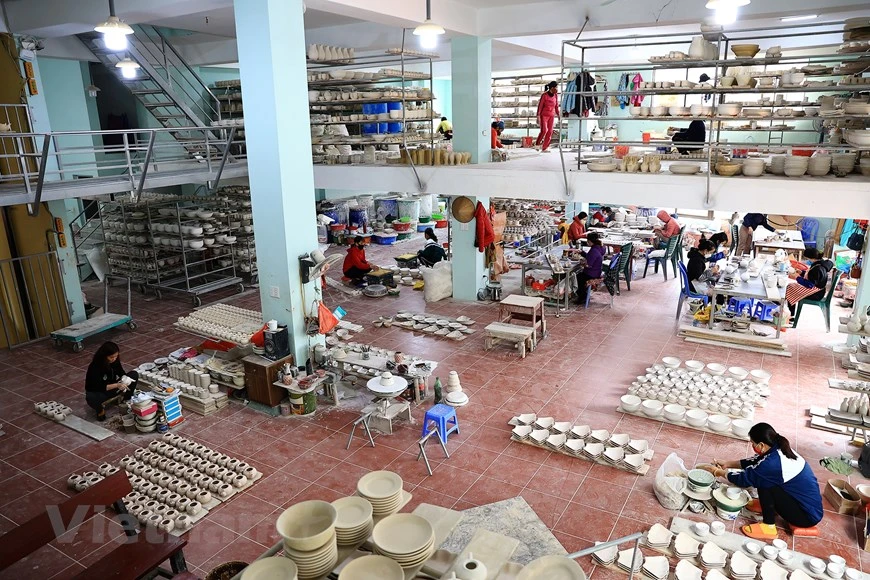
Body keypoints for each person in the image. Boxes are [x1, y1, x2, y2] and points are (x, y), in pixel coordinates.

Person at [701, 422, 823, 539]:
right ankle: (767, 504)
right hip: (803, 505)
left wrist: (719, 472)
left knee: (763, 482)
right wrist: (728, 464)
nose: (752, 446)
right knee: (764, 479)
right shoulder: (777, 447)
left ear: (761, 445)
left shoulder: (772, 464)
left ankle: (768, 527)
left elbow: (744, 479)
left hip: (806, 516)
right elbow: (755, 461)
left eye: (753, 444)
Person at [85, 341, 137, 421]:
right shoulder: (95, 367)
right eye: (111, 357)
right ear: (104, 356)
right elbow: (97, 387)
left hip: (114, 387)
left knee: (134, 374)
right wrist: (117, 385)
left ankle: (126, 399)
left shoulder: (115, 361)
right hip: (101, 392)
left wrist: (125, 378)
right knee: (91, 397)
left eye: (116, 356)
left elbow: (121, 372)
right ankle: (100, 410)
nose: (114, 359)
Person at [786, 248, 833, 314]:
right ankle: (789, 311)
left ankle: (790, 313)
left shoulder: (817, 269)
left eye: (807, 258)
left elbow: (809, 284)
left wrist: (797, 277)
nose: (807, 260)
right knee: (790, 286)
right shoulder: (820, 264)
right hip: (818, 289)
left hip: (816, 294)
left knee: (789, 289)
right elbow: (812, 277)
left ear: (811, 258)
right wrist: (801, 273)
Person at [575, 232, 605, 304]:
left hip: (592, 273)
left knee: (578, 277)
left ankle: (582, 297)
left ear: (590, 241)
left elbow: (588, 265)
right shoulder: (599, 248)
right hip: (597, 271)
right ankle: (582, 294)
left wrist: (581, 263)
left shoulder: (593, 251)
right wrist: (582, 253)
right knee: (579, 274)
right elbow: (590, 257)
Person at [535, 81, 558, 152]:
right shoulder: (544, 95)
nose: (557, 89)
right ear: (552, 88)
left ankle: (545, 147)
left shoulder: (556, 95)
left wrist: (559, 115)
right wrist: (538, 116)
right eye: (556, 87)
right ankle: (537, 144)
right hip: (544, 115)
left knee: (550, 131)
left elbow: (556, 106)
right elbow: (540, 106)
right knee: (544, 131)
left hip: (551, 116)